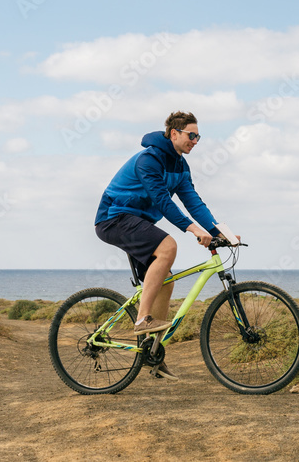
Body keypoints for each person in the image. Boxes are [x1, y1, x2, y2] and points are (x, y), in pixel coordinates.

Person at [94, 111, 223, 379]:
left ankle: (152, 354)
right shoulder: (149, 160)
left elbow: (193, 201)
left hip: (137, 222)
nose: (196, 141)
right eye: (192, 135)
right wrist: (192, 229)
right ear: (174, 134)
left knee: (167, 282)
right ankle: (142, 320)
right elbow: (163, 201)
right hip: (113, 218)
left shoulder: (180, 166)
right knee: (168, 246)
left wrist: (218, 231)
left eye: (199, 136)